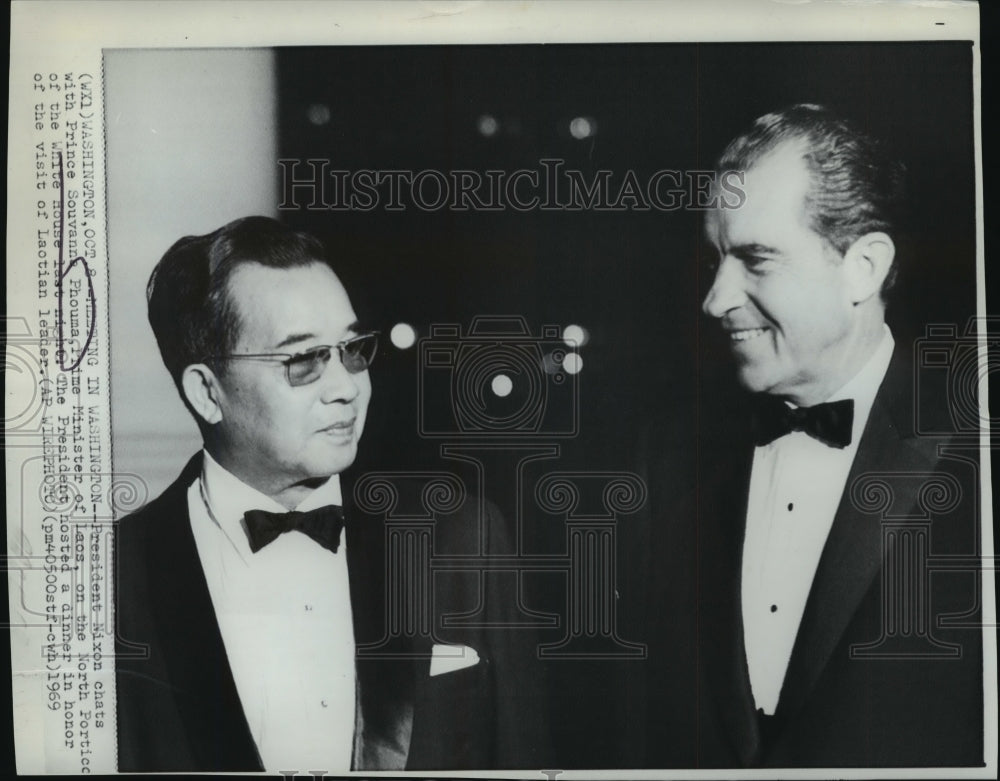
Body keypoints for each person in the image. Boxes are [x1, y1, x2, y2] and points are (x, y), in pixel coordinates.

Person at [114, 216, 545, 772]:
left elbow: (527, 758)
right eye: (302, 360)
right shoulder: (110, 580)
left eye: (352, 349)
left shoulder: (460, 538)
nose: (347, 388)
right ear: (206, 391)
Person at [638, 104, 983, 768]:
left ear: (863, 267)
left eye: (755, 260)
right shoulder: (666, 457)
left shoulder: (974, 456)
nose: (715, 298)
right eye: (715, 259)